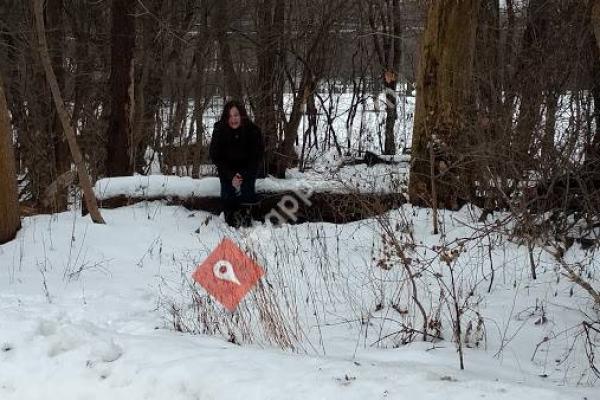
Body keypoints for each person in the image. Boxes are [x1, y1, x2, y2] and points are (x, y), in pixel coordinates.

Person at [209, 100, 264, 227]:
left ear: (242, 115)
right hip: (227, 173)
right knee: (228, 200)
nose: (233, 119)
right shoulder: (219, 130)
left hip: (247, 172)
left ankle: (247, 224)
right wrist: (231, 175)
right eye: (230, 116)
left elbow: (256, 157)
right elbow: (215, 156)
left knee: (247, 197)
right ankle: (230, 225)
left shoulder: (253, 131)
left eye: (236, 115)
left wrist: (241, 176)